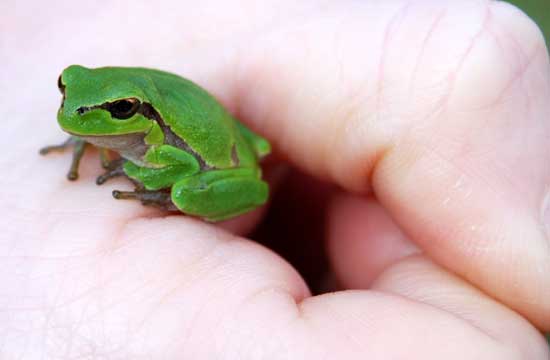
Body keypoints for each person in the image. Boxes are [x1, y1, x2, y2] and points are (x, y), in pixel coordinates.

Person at [1, 0, 549, 358]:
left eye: (118, 110)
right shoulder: (97, 108)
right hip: (212, 126)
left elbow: (187, 165)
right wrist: (88, 130)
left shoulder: (160, 139)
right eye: (64, 90)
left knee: (185, 187)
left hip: (215, 164)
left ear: (140, 113)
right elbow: (88, 106)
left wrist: (145, 173)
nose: (72, 110)